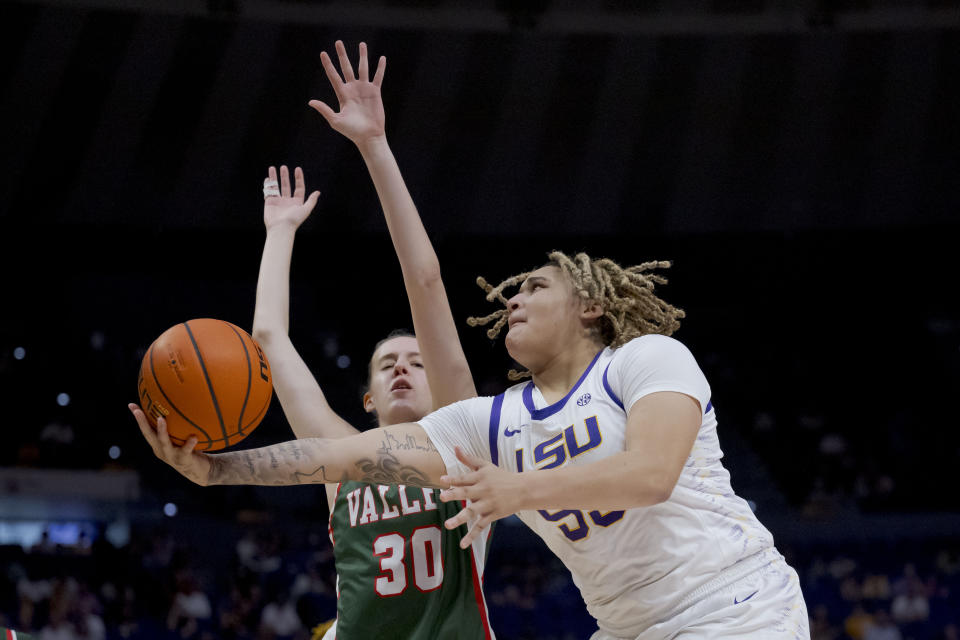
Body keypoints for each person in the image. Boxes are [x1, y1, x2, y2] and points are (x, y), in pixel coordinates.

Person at [130, 55, 809, 640]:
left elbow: (651, 473)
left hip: (733, 604)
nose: (511, 298)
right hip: (628, 626)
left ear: (591, 307)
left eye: (534, 287)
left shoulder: (647, 361)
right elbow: (336, 454)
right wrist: (218, 472)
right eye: (511, 291)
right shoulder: (487, 426)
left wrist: (517, 489)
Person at [248, 41, 494, 638]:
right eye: (387, 365)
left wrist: (374, 146)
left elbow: (426, 280)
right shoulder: (341, 459)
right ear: (368, 399)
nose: (403, 369)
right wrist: (279, 232)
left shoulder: (466, 437)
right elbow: (268, 337)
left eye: (415, 361)